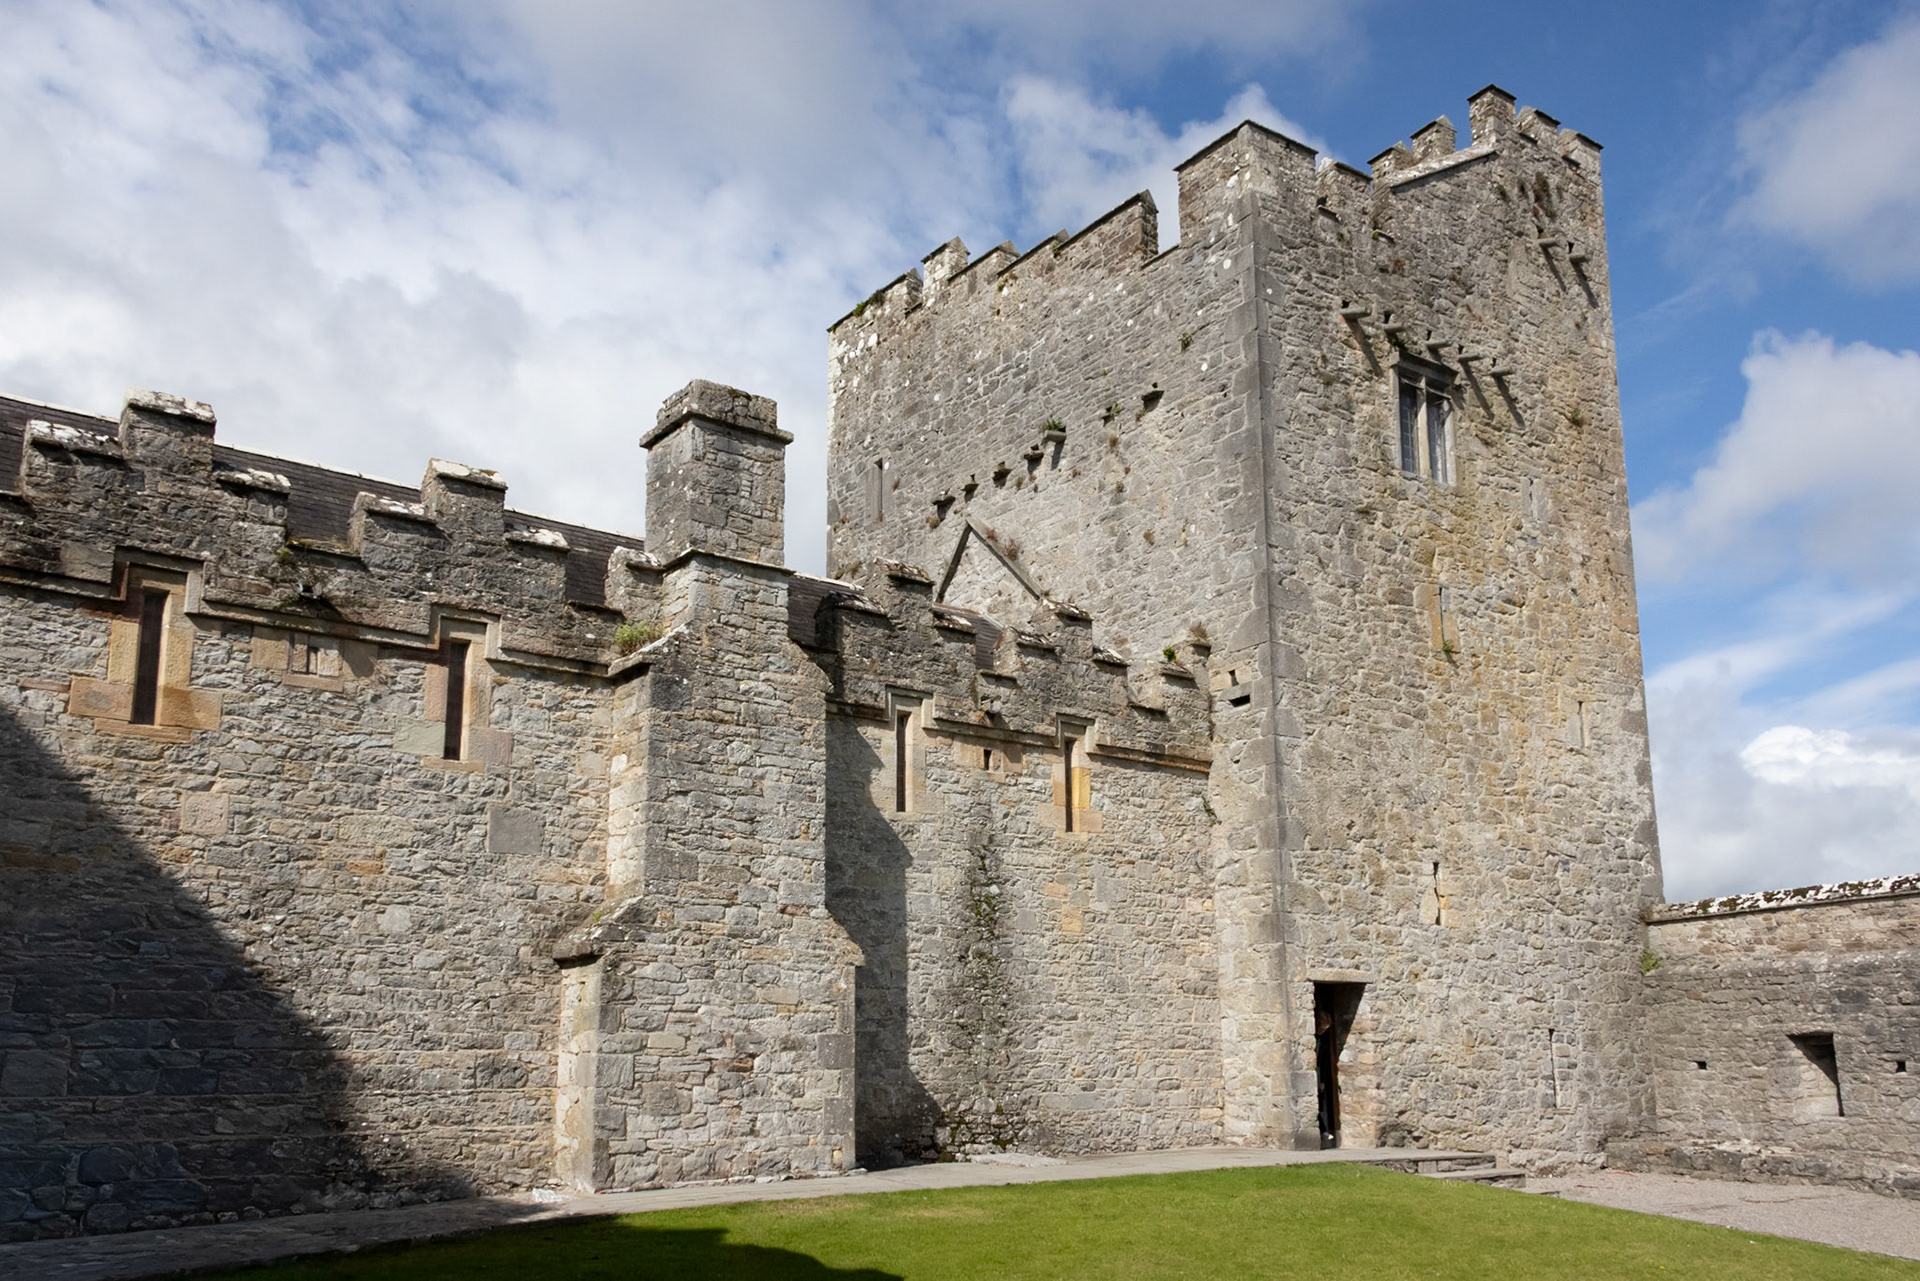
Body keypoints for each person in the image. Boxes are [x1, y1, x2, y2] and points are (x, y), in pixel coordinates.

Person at [1315, 1007, 1338, 1148]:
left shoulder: (1322, 1041)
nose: (1322, 1032)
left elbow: (1323, 1060)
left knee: (1320, 1099)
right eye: (1321, 1029)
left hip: (1318, 1072)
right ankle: (1322, 1130)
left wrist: (1323, 1080)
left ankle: (1323, 1130)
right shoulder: (1313, 1038)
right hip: (1314, 1070)